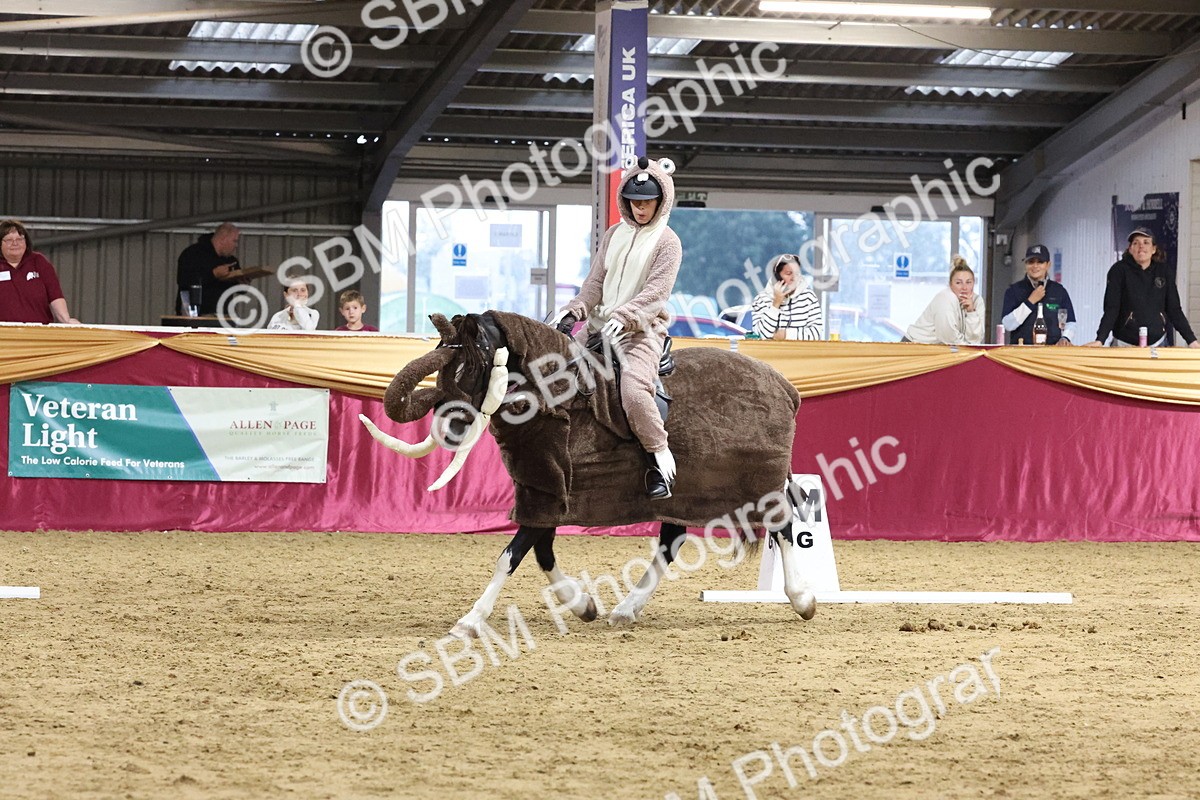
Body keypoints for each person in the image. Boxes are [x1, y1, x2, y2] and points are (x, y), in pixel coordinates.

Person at [549, 156, 681, 500]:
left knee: (635, 394)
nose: (640, 209)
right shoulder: (613, 235)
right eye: (635, 202)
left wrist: (623, 318)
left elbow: (656, 294)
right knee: (551, 378)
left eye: (647, 202)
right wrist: (574, 310)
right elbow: (595, 282)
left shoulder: (668, 242)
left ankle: (659, 459)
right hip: (597, 328)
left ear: (660, 201)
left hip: (641, 332)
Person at [1086, 228, 1199, 348]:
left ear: (1154, 249)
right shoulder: (1118, 271)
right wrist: (1100, 339)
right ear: (1130, 249)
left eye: (1146, 242)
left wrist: (1192, 341)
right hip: (1124, 344)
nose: (1141, 246)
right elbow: (1111, 308)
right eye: (1136, 243)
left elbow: (1174, 309)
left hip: (1158, 343)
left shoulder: (1164, 271)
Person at [0, 219, 80, 324]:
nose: (15, 243)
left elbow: (55, 295)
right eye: (9, 240)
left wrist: (67, 320)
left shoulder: (39, 261)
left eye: (20, 239)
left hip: (39, 331)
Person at [1001, 244, 1076, 345]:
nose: (1035, 266)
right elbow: (1008, 324)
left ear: (1048, 265)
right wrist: (1030, 302)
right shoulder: (1013, 291)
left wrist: (1065, 337)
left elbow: (1070, 322)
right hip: (1020, 353)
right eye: (1031, 262)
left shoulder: (1059, 291)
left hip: (1053, 352)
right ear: (1025, 264)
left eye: (1040, 262)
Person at [904, 255, 984, 345]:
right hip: (915, 345)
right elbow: (949, 338)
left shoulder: (977, 301)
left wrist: (971, 312)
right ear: (950, 284)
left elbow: (976, 338)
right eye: (958, 283)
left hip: (939, 349)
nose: (964, 287)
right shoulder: (945, 298)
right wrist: (969, 350)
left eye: (969, 282)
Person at [751, 253, 823, 340]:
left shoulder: (809, 297)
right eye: (789, 273)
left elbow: (817, 332)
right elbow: (760, 335)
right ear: (777, 277)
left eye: (797, 274)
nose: (794, 278)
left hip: (800, 352)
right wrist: (776, 303)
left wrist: (786, 335)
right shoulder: (761, 300)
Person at [176, 222, 243, 316]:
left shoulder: (231, 261)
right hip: (196, 315)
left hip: (223, 317)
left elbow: (238, 290)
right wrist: (213, 274)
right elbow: (184, 281)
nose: (236, 245)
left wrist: (242, 282)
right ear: (223, 239)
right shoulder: (192, 254)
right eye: (234, 241)